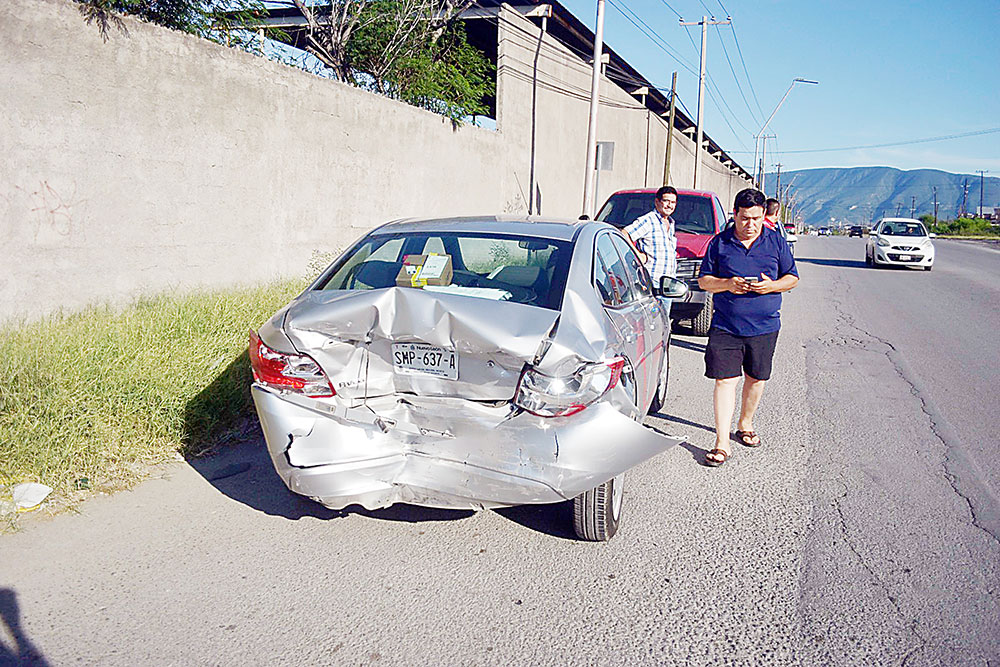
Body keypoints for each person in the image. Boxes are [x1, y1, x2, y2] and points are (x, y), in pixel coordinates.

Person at [697, 188, 799, 467]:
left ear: (764, 215)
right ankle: (721, 443)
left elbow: (792, 278)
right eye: (744, 218)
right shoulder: (719, 243)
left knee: (756, 378)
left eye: (756, 218)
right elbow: (704, 281)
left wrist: (771, 286)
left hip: (764, 326)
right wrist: (728, 284)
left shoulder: (776, 242)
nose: (750, 224)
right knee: (725, 381)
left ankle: (745, 422)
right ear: (735, 214)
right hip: (726, 325)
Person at [624, 185, 678, 285]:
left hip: (667, 284)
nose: (670, 205)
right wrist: (637, 255)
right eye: (666, 201)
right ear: (657, 202)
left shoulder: (671, 223)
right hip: (651, 282)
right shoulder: (648, 220)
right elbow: (625, 233)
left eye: (673, 202)